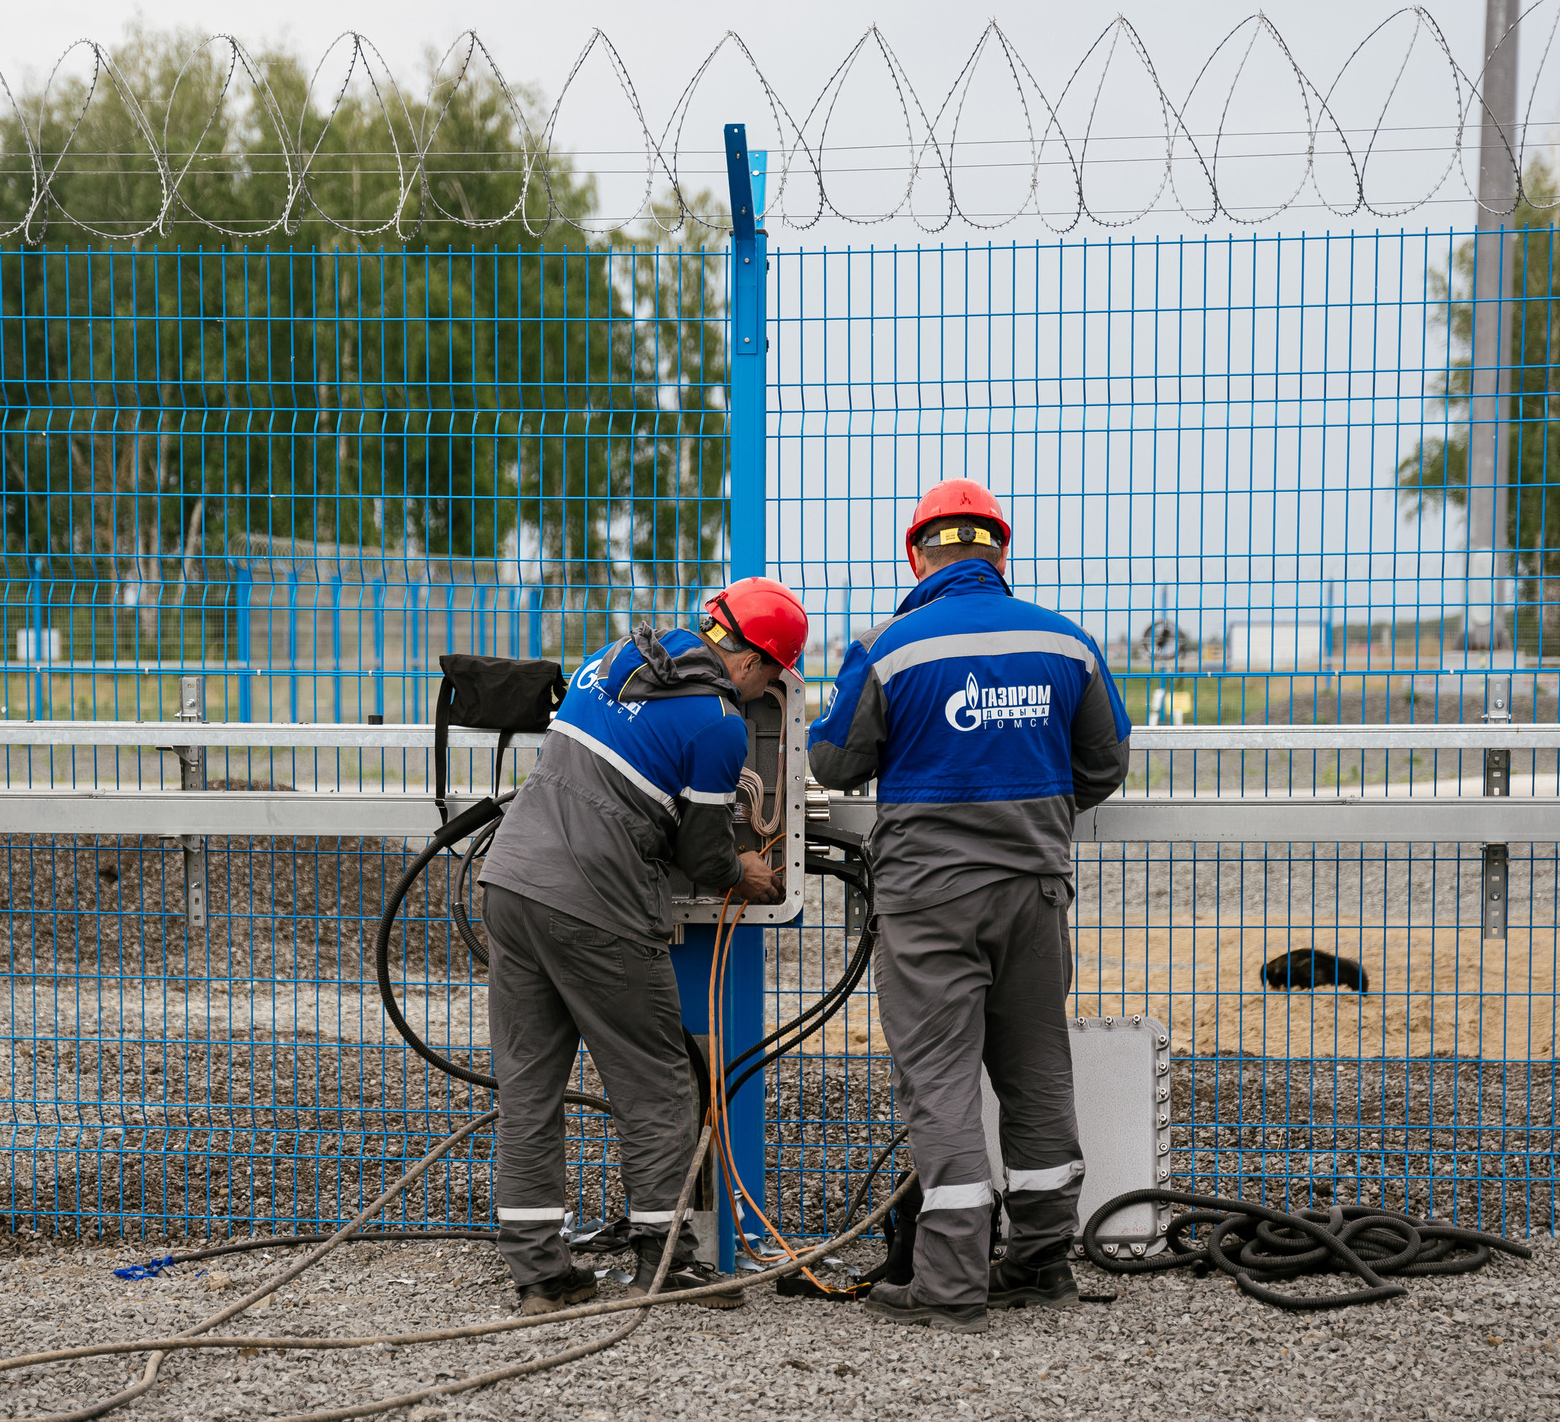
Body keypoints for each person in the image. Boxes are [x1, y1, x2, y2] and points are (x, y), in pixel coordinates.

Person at [807, 479, 1130, 1332]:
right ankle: (1041, 1262)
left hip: (929, 903)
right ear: (1000, 552)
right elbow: (1102, 768)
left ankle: (949, 1284)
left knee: (940, 1080)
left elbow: (836, 765)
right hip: (1034, 891)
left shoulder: (889, 646)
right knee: (1035, 1072)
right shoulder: (1068, 644)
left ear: (916, 555)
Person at [475, 578, 806, 1315]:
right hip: (597, 907)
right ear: (756, 663)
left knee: (529, 1087)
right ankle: (667, 1266)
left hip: (510, 883)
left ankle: (541, 1276)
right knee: (657, 1082)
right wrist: (742, 871)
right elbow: (705, 852)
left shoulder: (617, 654)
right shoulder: (719, 725)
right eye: (768, 680)